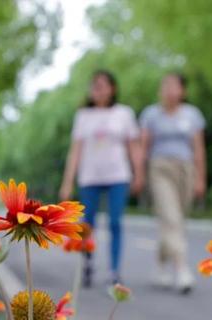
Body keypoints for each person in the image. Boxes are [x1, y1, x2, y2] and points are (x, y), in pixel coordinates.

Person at [60, 70, 142, 286]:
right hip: (90, 177)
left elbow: (134, 146)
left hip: (118, 175)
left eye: (102, 85)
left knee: (115, 222)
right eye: (94, 85)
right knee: (88, 224)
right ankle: (87, 263)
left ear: (112, 88)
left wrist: (139, 173)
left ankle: (114, 271)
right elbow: (75, 150)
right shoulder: (83, 116)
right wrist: (67, 182)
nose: (98, 89)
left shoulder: (124, 113)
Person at [137, 73, 207, 294]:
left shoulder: (192, 115)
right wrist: (138, 175)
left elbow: (199, 149)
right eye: (165, 85)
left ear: (182, 91)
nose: (168, 90)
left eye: (173, 86)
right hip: (160, 169)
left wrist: (200, 178)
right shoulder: (151, 115)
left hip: (186, 169)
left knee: (175, 221)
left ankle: (160, 265)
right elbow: (143, 148)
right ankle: (182, 269)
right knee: (171, 218)